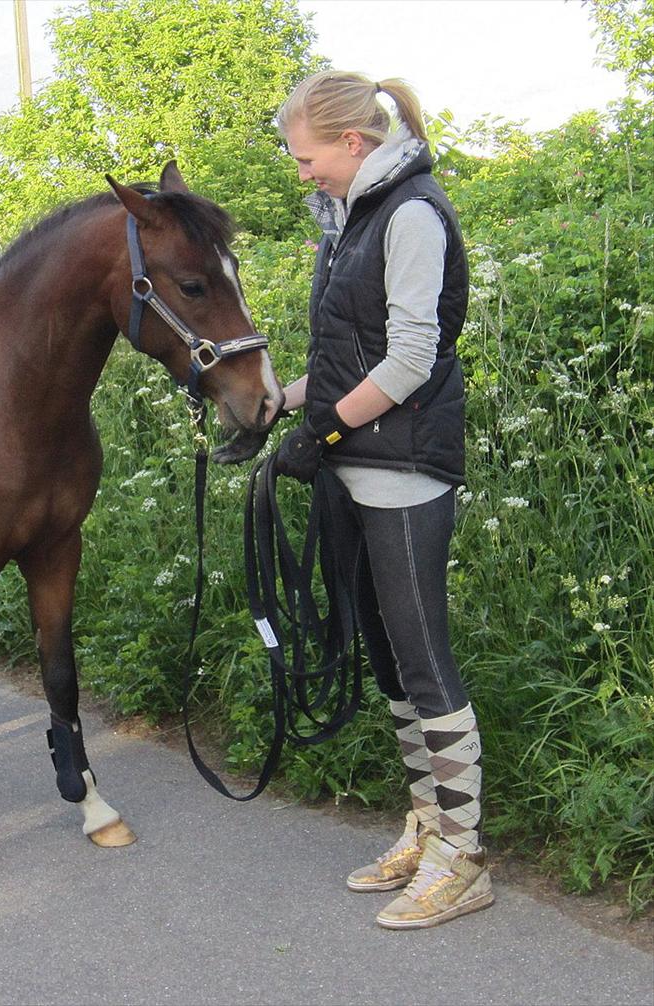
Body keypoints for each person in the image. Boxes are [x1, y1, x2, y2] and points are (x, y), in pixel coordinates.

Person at [271, 70, 492, 929]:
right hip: (356, 460)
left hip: (401, 468)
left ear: (353, 144)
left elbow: (409, 360)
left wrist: (322, 432)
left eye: (306, 156)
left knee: (425, 657)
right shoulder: (354, 216)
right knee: (389, 659)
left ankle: (466, 855)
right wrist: (277, 401)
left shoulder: (408, 214)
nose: (301, 172)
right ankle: (432, 824)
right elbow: (345, 356)